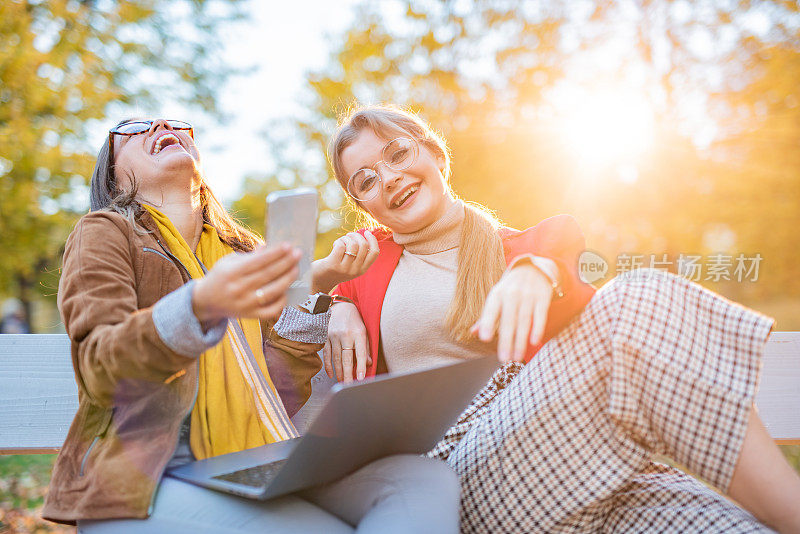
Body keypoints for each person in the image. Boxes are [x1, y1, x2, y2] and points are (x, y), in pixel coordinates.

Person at [311, 105, 800, 533]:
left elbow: (599, 327)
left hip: (586, 471)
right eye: (367, 180)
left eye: (397, 154)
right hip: (458, 481)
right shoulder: (362, 271)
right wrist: (334, 294)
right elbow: (274, 310)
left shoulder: (539, 246)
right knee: (638, 296)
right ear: (363, 207)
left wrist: (539, 269)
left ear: (435, 155)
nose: (389, 177)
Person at [42, 118, 460, 533]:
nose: (161, 126)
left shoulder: (241, 250)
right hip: (147, 484)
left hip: (252, 465)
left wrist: (322, 286)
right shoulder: (104, 232)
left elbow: (277, 387)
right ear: (112, 176)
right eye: (134, 128)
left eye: (172, 124)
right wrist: (199, 304)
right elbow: (100, 367)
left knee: (419, 482)